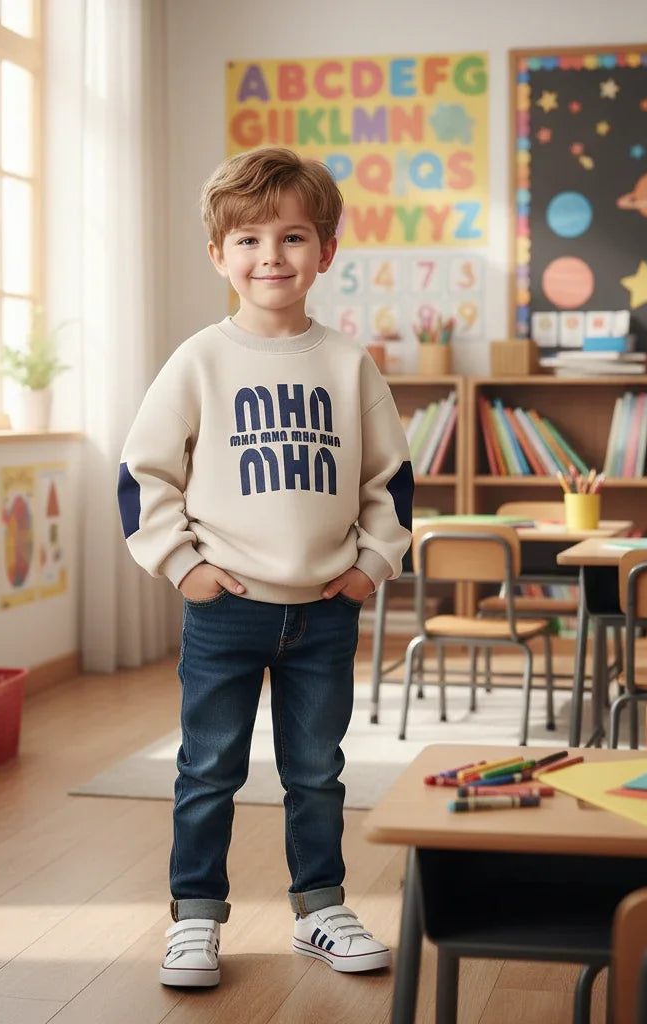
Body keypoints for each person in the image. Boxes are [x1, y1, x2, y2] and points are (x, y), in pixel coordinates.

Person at [117, 146, 413, 988]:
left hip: (326, 606)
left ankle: (321, 910)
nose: (270, 257)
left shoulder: (350, 364)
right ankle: (196, 918)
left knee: (317, 770)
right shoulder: (199, 359)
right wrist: (184, 568)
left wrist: (370, 566)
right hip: (225, 606)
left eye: (291, 238)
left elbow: (391, 479)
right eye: (247, 240)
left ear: (325, 250)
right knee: (209, 767)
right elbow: (144, 474)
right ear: (219, 255)